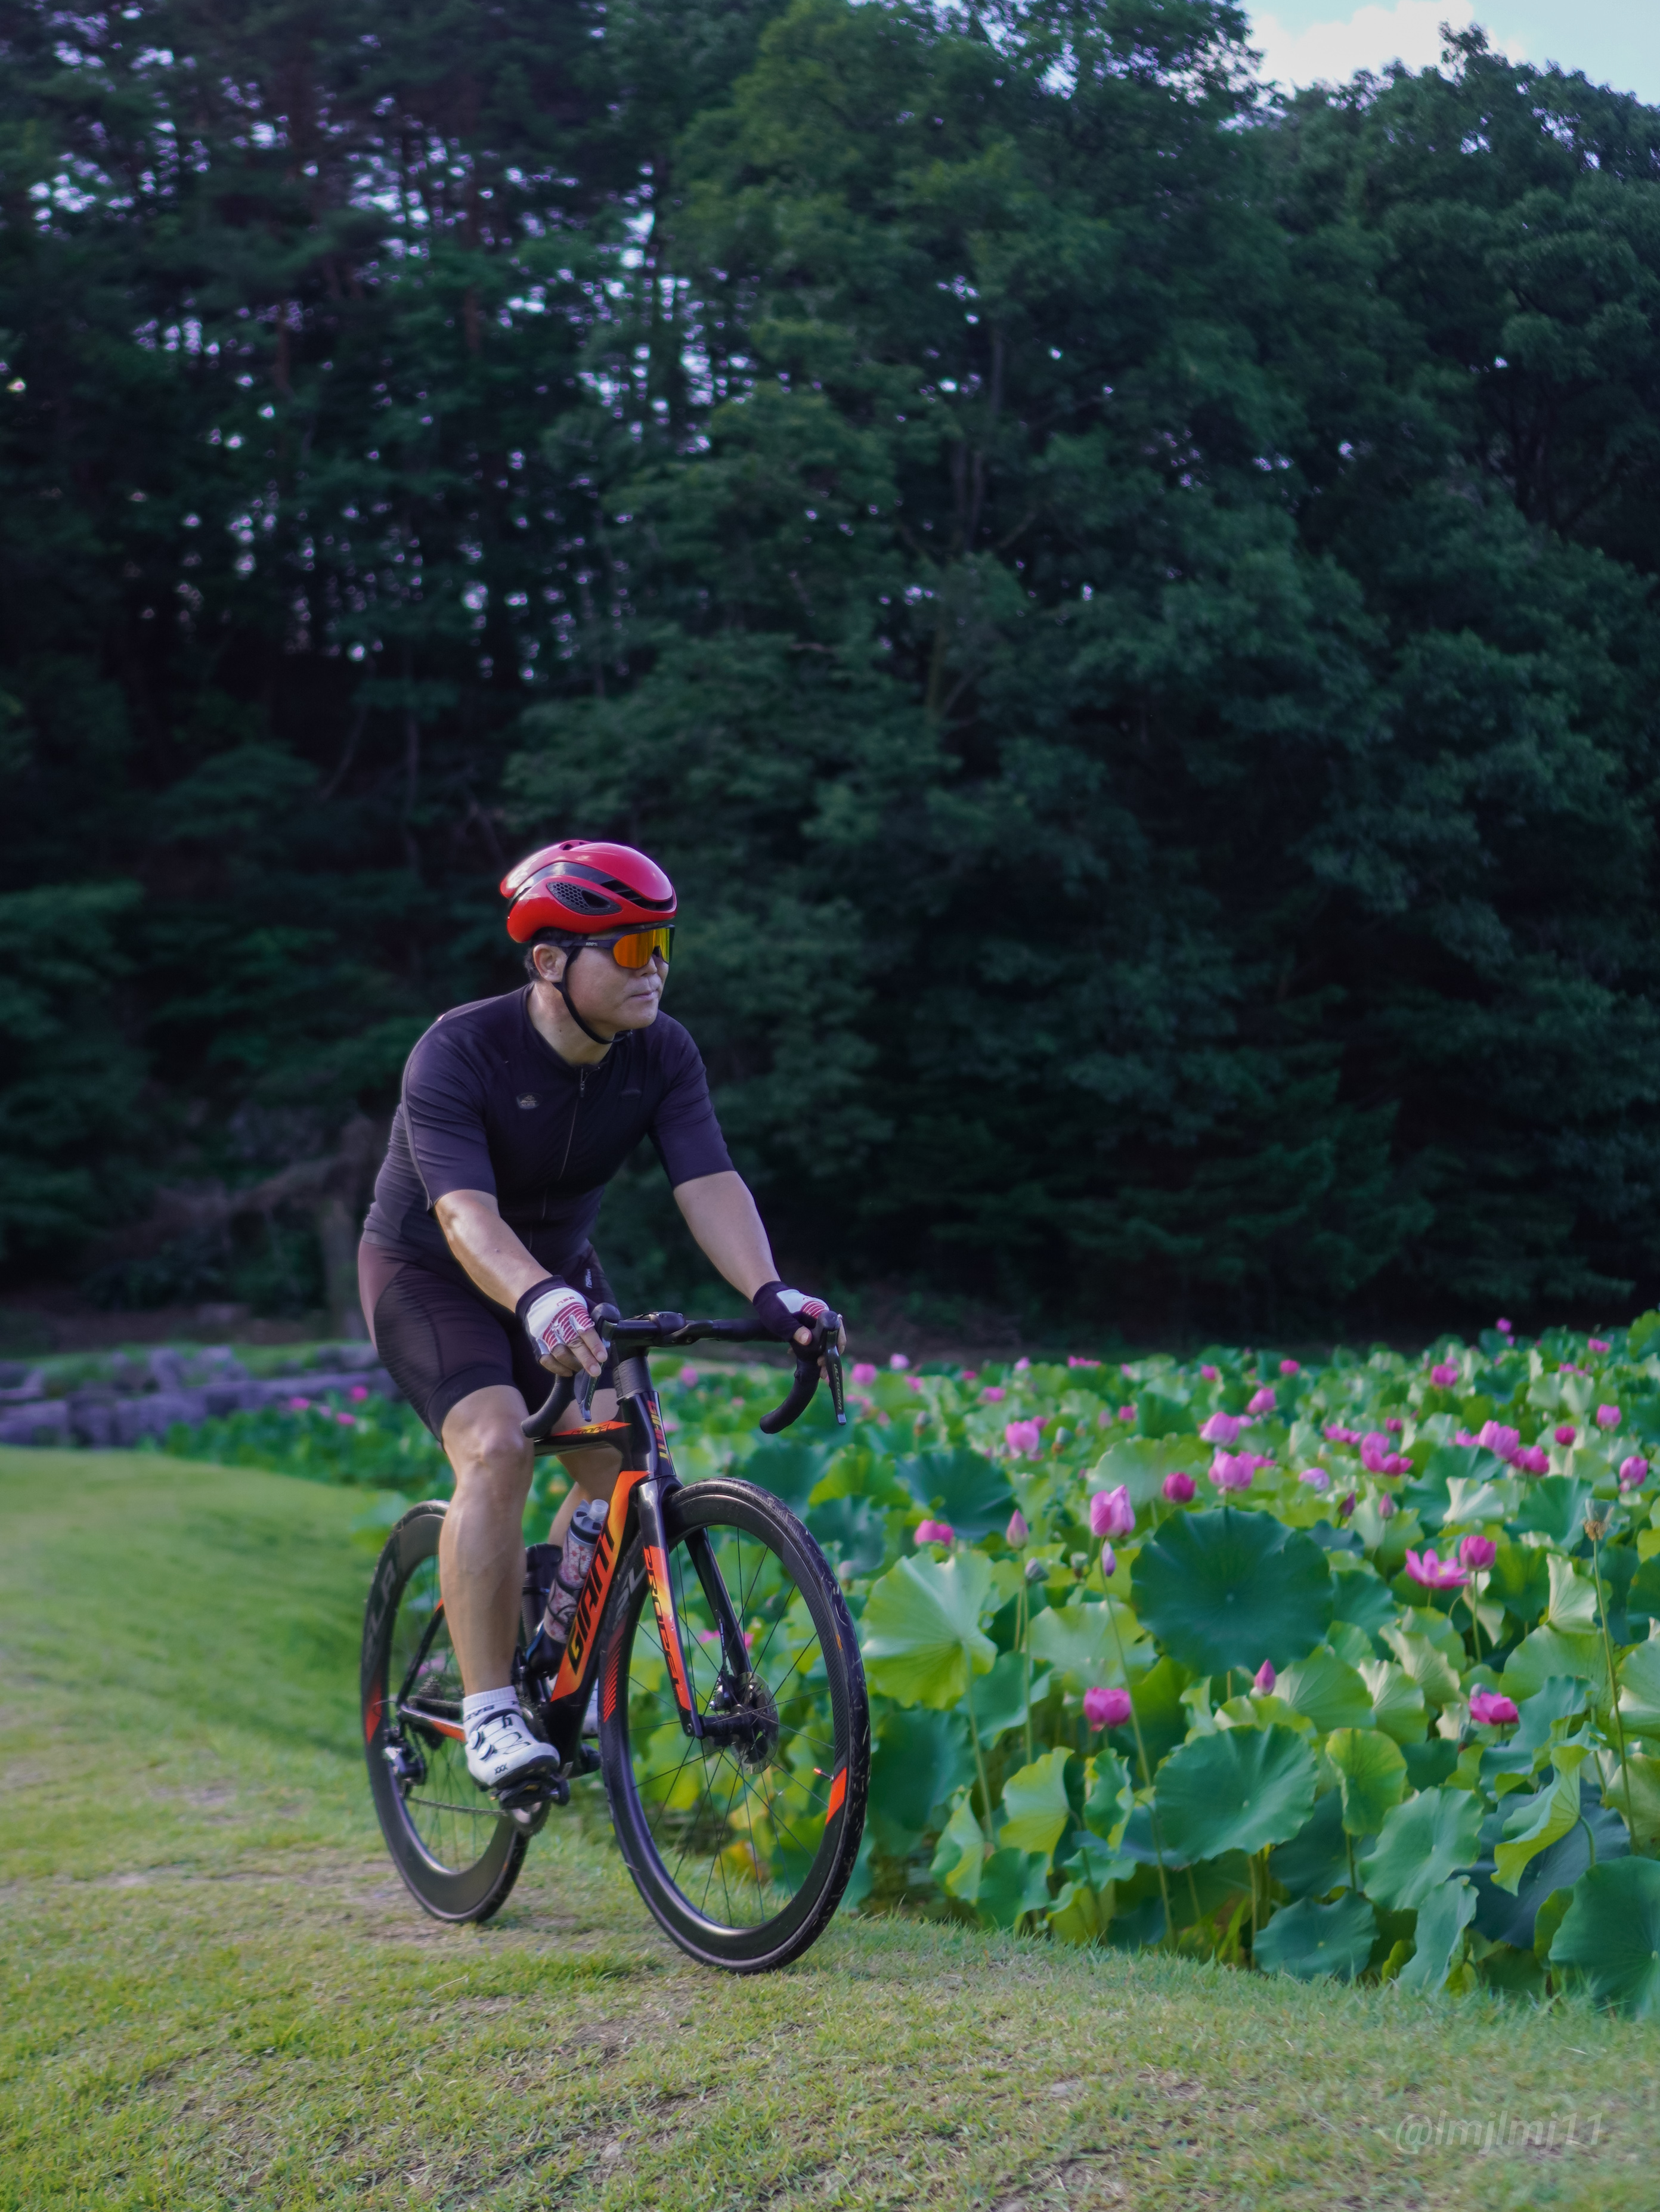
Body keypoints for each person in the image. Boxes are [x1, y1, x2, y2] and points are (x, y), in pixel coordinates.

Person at [357, 839, 842, 1794]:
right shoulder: (458, 1050)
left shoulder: (662, 1051)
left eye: (664, 943)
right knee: (497, 1445)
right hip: (432, 1273)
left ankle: (552, 1628)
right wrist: (537, 1295)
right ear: (549, 961)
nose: (653, 966)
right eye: (628, 948)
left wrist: (771, 1292)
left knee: (623, 1460)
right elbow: (465, 1217)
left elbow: (708, 1180)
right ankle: (490, 1710)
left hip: (560, 1276)